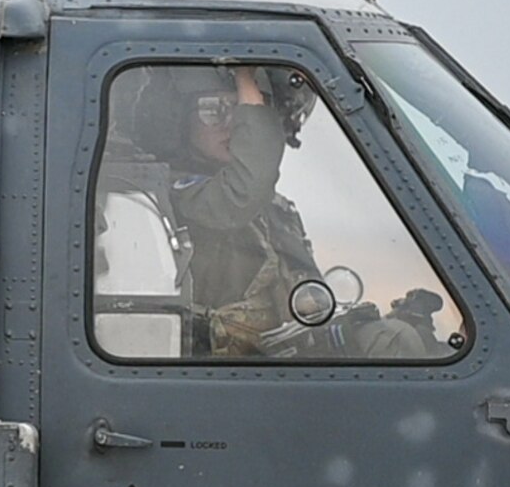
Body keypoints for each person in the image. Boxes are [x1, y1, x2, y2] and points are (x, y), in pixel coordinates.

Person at [118, 64, 428, 359]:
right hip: (224, 378)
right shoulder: (172, 197)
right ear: (178, 118)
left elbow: (304, 304)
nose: (234, 123)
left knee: (396, 340)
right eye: (212, 110)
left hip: (273, 358)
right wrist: (245, 79)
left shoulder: (275, 210)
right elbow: (242, 193)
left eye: (245, 108)